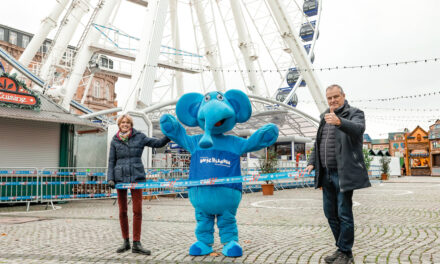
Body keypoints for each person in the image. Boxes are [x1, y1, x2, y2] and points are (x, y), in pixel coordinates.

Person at [306, 84, 371, 264]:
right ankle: (341, 249)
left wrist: (339, 122)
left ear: (343, 96)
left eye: (336, 96)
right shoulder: (324, 117)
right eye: (329, 98)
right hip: (325, 173)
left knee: (344, 213)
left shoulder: (355, 114)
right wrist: (312, 162)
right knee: (330, 213)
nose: (333, 100)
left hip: (343, 174)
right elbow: (318, 143)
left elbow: (358, 130)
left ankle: (345, 252)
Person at [107, 114, 170, 255]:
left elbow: (158, 143)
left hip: (136, 177)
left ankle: (136, 243)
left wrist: (169, 135)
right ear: (119, 125)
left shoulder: (140, 137)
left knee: (137, 211)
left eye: (127, 122)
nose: (125, 124)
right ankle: (126, 242)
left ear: (131, 125)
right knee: (122, 211)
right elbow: (111, 161)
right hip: (120, 178)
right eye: (122, 122)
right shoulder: (115, 141)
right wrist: (110, 178)